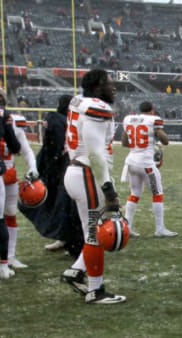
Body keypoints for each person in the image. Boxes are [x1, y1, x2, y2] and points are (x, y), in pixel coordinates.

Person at [59, 68, 126, 304]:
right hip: (88, 174)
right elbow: (96, 154)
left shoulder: (79, 101)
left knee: (91, 231)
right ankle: (95, 291)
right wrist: (109, 190)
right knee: (94, 234)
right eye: (110, 83)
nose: (114, 87)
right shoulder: (98, 107)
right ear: (98, 86)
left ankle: (76, 271)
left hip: (76, 171)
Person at [0, 84, 37, 274]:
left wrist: (33, 167)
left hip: (7, 174)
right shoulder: (2, 116)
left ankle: (9, 258)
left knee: (9, 214)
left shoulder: (11, 120)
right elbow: (17, 147)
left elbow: (25, 149)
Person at [19, 94, 84, 257]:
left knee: (64, 206)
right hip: (64, 168)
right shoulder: (65, 120)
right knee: (62, 206)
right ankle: (66, 239)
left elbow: (54, 147)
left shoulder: (59, 120)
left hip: (64, 169)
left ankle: (70, 241)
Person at [121, 101, 177, 238]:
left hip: (131, 162)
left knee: (134, 194)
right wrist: (158, 135)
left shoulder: (128, 119)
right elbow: (165, 141)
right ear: (152, 110)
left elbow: (124, 142)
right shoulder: (154, 119)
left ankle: (127, 227)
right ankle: (159, 229)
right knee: (157, 193)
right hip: (146, 164)